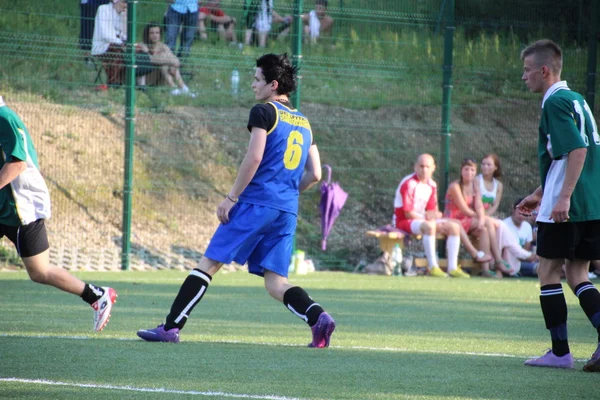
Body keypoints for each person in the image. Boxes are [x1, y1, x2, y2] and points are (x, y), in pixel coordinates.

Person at [137, 53, 336, 347]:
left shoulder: (264, 112)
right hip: (286, 209)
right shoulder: (304, 123)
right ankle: (317, 316)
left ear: (273, 84)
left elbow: (254, 156)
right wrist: (287, 192)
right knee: (275, 282)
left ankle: (170, 327)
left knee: (208, 264)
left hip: (256, 204)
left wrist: (232, 197)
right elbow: (315, 173)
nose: (252, 84)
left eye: (257, 79)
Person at [0, 96, 117, 331]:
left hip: (21, 207)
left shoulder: (5, 118)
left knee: (40, 271)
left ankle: (95, 295)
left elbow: (17, 163)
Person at [519, 39, 600, 372]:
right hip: (591, 201)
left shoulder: (554, 102)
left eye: (526, 71)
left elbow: (577, 150)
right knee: (578, 272)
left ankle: (560, 352)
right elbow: (568, 154)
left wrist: (562, 196)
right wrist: (541, 191)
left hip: (569, 204)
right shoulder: (576, 99)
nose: (523, 77)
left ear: (544, 70)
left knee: (548, 271)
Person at [393, 154, 470, 278]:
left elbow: (433, 211)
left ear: (433, 168)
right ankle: (433, 267)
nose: (424, 170)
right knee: (429, 226)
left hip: (423, 220)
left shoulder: (432, 185)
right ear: (415, 167)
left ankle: (453, 268)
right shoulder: (409, 183)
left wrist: (436, 216)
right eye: (421, 166)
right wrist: (432, 220)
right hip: (404, 221)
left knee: (454, 227)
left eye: (427, 167)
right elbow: (408, 213)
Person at [444, 158, 508, 277]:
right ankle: (498, 260)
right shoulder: (455, 186)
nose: (469, 172)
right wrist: (482, 218)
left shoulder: (475, 185)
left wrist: (481, 218)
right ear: (461, 171)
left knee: (484, 229)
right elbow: (464, 209)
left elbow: (478, 205)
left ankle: (486, 269)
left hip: (468, 221)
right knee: (488, 222)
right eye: (466, 169)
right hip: (454, 219)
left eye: (472, 170)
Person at [139, 22, 195, 96]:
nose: (155, 35)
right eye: (151, 33)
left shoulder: (163, 46)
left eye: (157, 33)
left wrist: (172, 64)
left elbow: (177, 62)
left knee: (168, 65)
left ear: (160, 35)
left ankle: (181, 88)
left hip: (161, 76)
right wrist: (169, 61)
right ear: (147, 35)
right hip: (148, 76)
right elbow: (149, 59)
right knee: (165, 63)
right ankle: (177, 88)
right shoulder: (143, 45)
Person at [91, 0, 128, 86]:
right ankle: (114, 82)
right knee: (117, 50)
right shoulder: (103, 9)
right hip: (102, 47)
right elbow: (106, 35)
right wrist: (121, 43)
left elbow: (125, 37)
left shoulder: (123, 15)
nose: (126, 5)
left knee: (135, 50)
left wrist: (125, 20)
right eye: (124, 2)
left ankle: (132, 82)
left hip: (118, 46)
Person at [501, 198, 538, 276]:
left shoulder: (527, 227)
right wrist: (532, 256)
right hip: (509, 262)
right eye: (519, 213)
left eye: (524, 214)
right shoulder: (504, 225)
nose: (521, 216)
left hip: (523, 260)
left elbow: (526, 249)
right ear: (513, 210)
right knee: (541, 269)